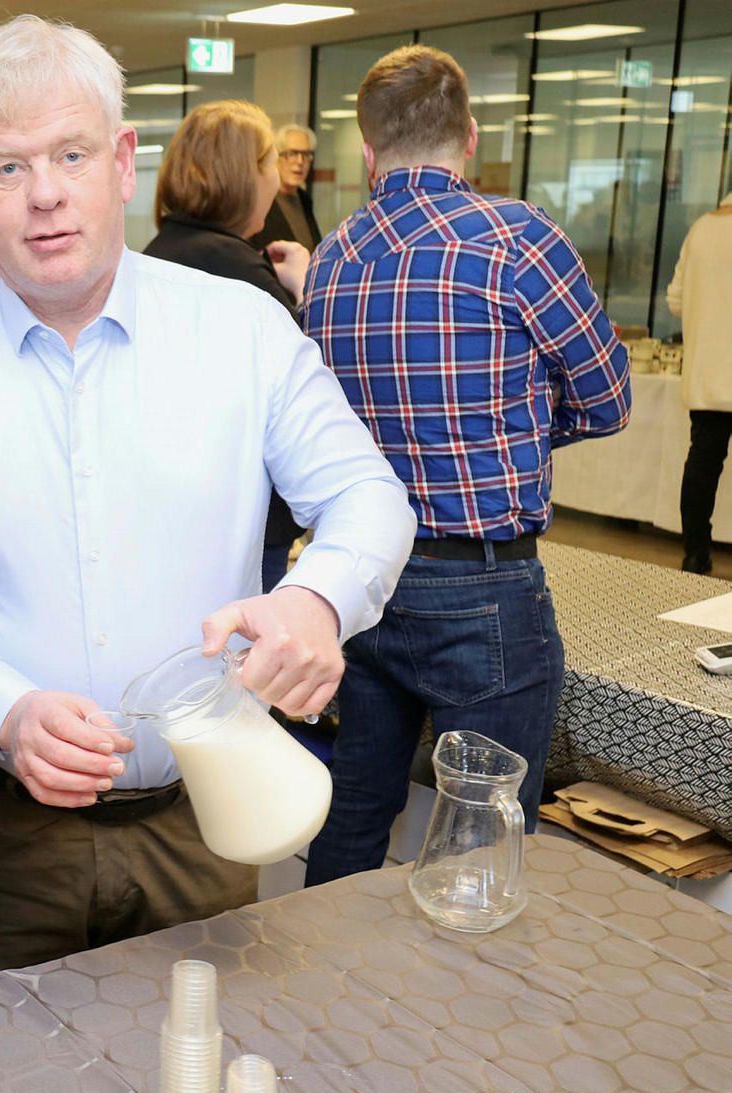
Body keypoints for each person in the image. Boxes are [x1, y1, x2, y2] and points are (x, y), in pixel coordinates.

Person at [0, 15, 415, 986]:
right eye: (4, 167)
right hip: (1, 835)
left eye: (69, 153)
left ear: (121, 161)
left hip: (203, 813)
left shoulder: (240, 331)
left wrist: (312, 600)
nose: (42, 193)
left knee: (201, 1047)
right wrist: (2, 710)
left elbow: (367, 494)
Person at [300, 46, 630, 887]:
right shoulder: (517, 239)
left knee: (354, 813)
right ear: (469, 137)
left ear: (368, 152)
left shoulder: (331, 260)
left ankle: (314, 993)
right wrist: (501, 434)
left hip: (364, 580)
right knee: (479, 839)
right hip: (484, 588)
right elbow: (608, 398)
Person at [143, 101, 309, 593]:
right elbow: (300, 390)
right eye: (271, 165)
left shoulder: (161, 253)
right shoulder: (239, 273)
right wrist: (303, 293)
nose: (277, 182)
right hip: (243, 519)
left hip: (182, 505)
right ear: (244, 176)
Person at [668, 190, 732, 574]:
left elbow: (675, 300)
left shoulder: (701, 229)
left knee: (702, 467)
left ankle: (696, 552)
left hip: (708, 373)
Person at [249, 124, 322, 254]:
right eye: (292, 153)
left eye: (306, 154)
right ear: (275, 157)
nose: (300, 161)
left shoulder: (304, 199)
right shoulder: (260, 200)